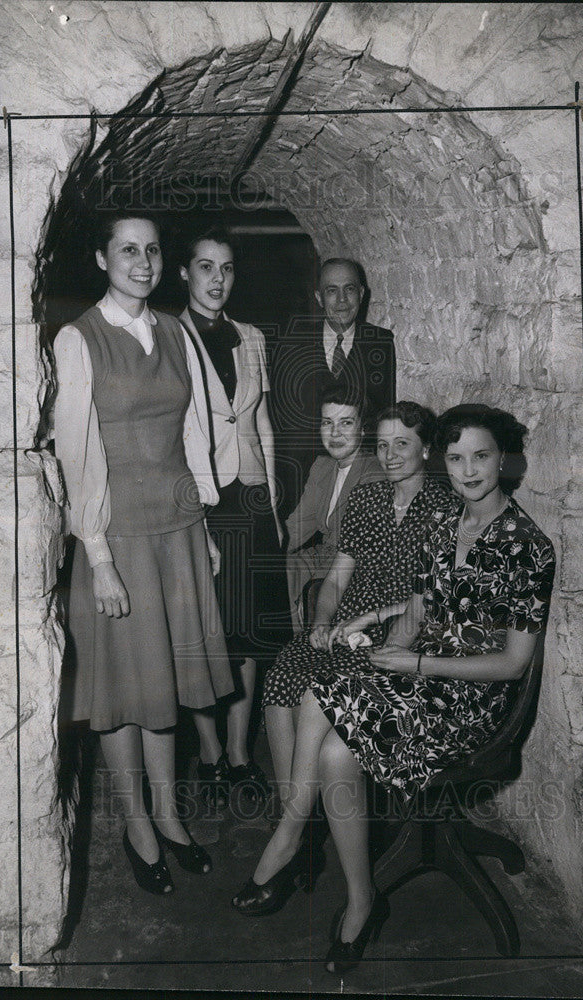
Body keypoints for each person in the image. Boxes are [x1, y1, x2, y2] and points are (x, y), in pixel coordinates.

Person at [233, 403, 556, 976]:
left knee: (330, 713)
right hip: (422, 671)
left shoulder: (526, 546)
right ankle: (360, 894)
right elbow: (422, 607)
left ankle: (292, 838)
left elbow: (511, 663)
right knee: (325, 711)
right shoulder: (444, 523)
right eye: (457, 458)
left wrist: (414, 663)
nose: (468, 470)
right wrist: (375, 630)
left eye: (481, 456)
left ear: (504, 459)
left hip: (469, 701)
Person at [54, 210, 233, 895]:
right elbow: (74, 452)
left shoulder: (176, 330)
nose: (142, 261)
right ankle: (136, 825)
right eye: (127, 249)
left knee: (169, 687)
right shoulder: (79, 338)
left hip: (178, 533)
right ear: (102, 259)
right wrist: (97, 556)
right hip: (117, 535)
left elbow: (194, 434)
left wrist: (205, 527)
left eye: (152, 250)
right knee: (124, 693)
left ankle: (169, 815)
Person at [262, 401, 454, 808]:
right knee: (282, 676)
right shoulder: (367, 498)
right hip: (347, 625)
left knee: (316, 688)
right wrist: (321, 621)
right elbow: (335, 577)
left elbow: (431, 602)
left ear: (425, 450)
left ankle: (299, 823)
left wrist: (364, 621)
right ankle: (293, 812)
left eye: (403, 443)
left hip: (402, 634)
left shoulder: (446, 510)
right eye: (383, 445)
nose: (391, 455)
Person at [178, 225, 292, 807]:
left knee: (247, 636)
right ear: (184, 273)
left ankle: (242, 752)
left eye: (225, 268)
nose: (216, 279)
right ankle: (209, 753)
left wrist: (270, 504)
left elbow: (262, 424)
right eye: (205, 267)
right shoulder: (167, 336)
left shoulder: (250, 337)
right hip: (197, 499)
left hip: (248, 500)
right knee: (204, 634)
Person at [271, 257, 396, 512]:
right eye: (331, 291)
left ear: (361, 294)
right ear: (319, 297)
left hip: (358, 486)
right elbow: (278, 420)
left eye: (349, 289)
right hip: (298, 487)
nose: (341, 301)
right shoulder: (291, 342)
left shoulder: (380, 343)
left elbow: (384, 417)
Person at [285, 384, 384, 633]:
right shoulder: (322, 467)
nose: (335, 433)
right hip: (319, 558)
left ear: (363, 429)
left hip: (354, 567)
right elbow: (296, 528)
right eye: (327, 423)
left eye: (346, 423)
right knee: (267, 571)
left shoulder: (375, 472)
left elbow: (362, 550)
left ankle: (301, 653)